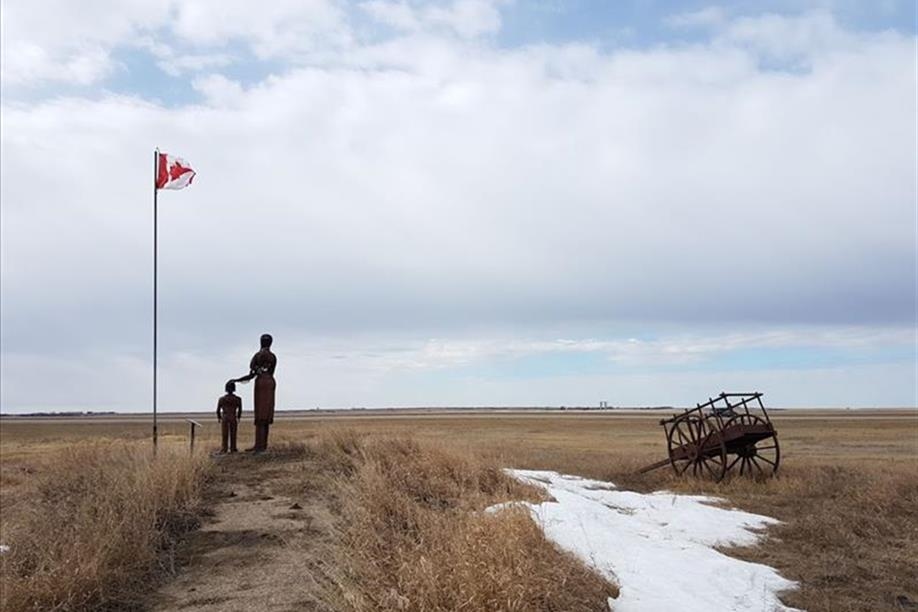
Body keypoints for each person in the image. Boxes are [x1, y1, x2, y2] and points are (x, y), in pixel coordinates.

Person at [234, 333, 277, 453]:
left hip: (261, 383)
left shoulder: (258, 356)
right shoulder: (273, 357)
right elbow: (272, 372)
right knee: (266, 414)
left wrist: (237, 380)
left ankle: (259, 445)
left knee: (260, 415)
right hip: (270, 382)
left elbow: (251, 374)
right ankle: (263, 445)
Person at [217, 380, 242, 453]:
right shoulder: (238, 399)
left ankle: (224, 448)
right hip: (233, 416)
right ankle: (233, 448)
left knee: (225, 434)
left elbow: (218, 410)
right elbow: (240, 410)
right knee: (233, 433)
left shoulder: (222, 399)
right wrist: (239, 417)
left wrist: (219, 417)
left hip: (225, 417)